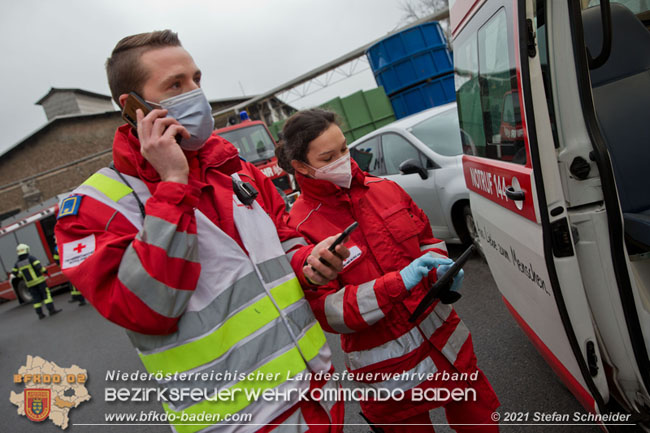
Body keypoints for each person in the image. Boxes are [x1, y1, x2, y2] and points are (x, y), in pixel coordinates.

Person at [54, 31, 350, 433]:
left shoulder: (233, 168)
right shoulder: (94, 207)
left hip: (318, 393)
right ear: (133, 108)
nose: (196, 93)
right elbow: (147, 310)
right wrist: (173, 182)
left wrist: (309, 261)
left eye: (196, 79)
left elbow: (283, 238)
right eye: (176, 84)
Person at [276, 109, 500, 433]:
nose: (342, 159)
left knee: (482, 423)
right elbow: (328, 311)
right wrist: (397, 283)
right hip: (389, 376)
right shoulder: (300, 227)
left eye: (343, 148)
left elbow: (427, 239)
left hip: (446, 346)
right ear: (300, 167)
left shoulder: (384, 188)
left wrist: (439, 269)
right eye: (328, 157)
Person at [12, 244, 62, 319]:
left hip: (29, 284)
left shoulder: (17, 263)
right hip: (39, 281)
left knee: (36, 298)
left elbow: (14, 273)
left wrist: (21, 275)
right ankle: (51, 310)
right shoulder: (31, 258)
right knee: (46, 295)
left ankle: (40, 314)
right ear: (26, 249)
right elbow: (39, 267)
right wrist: (46, 272)